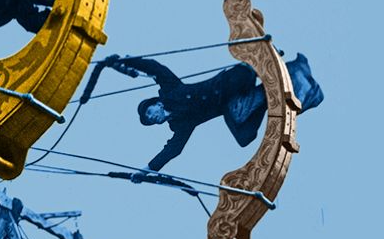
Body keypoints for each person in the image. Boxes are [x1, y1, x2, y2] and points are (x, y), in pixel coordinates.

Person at [105, 53, 324, 177]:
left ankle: (279, 68)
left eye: (149, 113)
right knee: (244, 136)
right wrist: (147, 170)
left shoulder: (170, 90)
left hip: (230, 82)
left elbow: (155, 68)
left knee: (244, 81)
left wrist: (125, 62)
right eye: (150, 121)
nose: (152, 118)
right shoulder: (181, 124)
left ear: (156, 103)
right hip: (231, 104)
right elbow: (173, 149)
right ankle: (293, 83)